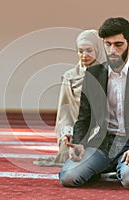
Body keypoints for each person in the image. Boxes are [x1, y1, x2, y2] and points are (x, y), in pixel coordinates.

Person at [59, 17, 129, 190]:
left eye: (118, 44)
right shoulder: (93, 74)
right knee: (68, 177)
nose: (112, 50)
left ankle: (118, 167)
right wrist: (79, 143)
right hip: (102, 144)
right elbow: (83, 119)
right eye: (107, 44)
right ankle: (105, 165)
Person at [33, 29, 106, 167]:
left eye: (89, 50)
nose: (84, 55)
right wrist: (68, 132)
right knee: (67, 151)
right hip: (77, 126)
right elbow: (65, 111)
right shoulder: (70, 76)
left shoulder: (108, 74)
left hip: (102, 128)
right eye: (80, 51)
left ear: (98, 49)